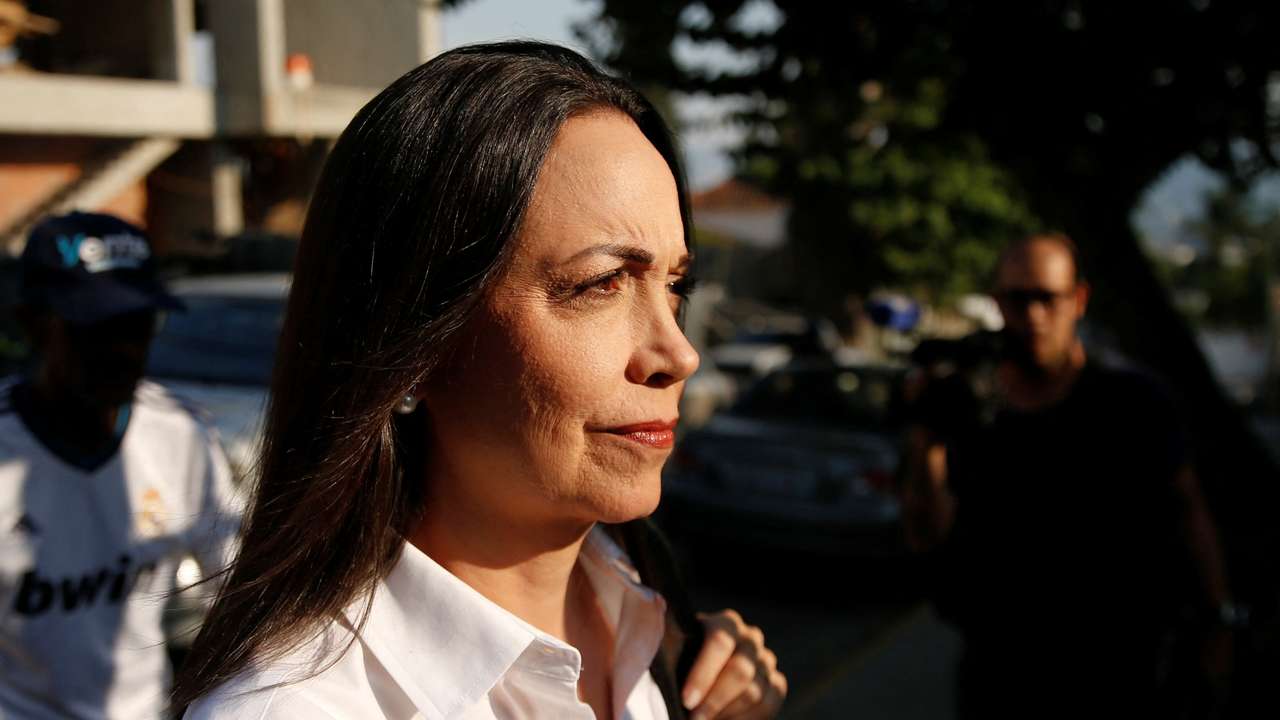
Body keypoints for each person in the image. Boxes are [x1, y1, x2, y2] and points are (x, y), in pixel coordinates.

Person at [174, 42, 787, 720]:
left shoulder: (656, 625)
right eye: (599, 284)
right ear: (415, 342)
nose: (678, 351)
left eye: (676, 284)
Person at [903, 233, 1238, 717]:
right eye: (1018, 300)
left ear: (1077, 300)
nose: (1034, 317)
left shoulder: (1133, 404)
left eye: (1048, 298)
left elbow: (1189, 510)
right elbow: (926, 533)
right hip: (1000, 674)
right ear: (998, 303)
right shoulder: (972, 413)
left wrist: (1218, 621)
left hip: (1118, 672)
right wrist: (926, 444)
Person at [0, 211, 243, 718]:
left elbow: (239, 599)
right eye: (96, 329)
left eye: (137, 326)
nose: (123, 350)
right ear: (33, 325)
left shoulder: (181, 439)